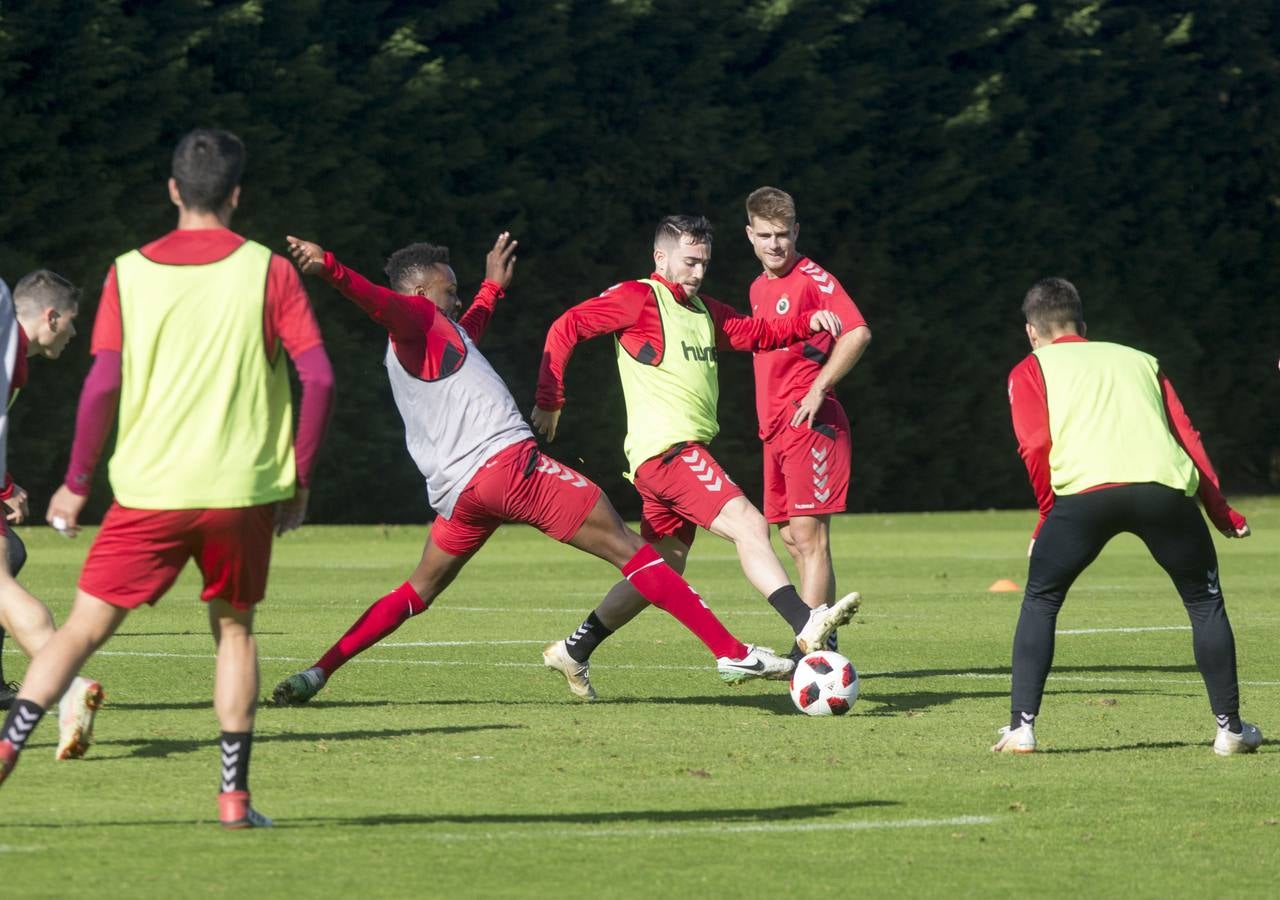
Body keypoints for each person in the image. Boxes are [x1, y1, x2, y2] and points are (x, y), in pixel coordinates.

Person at [272, 233, 792, 708]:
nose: (457, 298)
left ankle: (318, 673)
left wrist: (492, 289)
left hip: (461, 497)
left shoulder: (435, 334)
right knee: (636, 553)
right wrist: (330, 267)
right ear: (420, 294)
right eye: (449, 290)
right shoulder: (413, 316)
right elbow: (379, 302)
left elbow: (466, 329)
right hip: (509, 469)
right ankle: (730, 651)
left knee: (415, 593)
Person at [0, 129, 336, 830]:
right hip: (240, 489)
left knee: (83, 629)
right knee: (235, 633)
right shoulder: (269, 271)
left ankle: (6, 748)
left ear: (173, 190)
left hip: (150, 490)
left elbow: (101, 384)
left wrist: (75, 482)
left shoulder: (128, 271)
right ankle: (233, 800)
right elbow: (320, 375)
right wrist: (299, 478)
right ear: (237, 195)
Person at [533, 215, 859, 701]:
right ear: (660, 257)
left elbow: (754, 332)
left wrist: (805, 323)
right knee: (749, 523)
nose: (697, 272)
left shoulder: (704, 311)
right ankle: (805, 620)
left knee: (664, 566)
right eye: (689, 261)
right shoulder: (639, 297)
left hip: (667, 457)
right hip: (669, 452)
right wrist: (550, 398)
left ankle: (575, 649)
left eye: (704, 262)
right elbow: (567, 327)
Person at [995, 277, 1259, 756]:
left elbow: (1034, 444)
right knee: (1203, 602)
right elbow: (1188, 437)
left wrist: (1046, 515)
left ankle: (1021, 728)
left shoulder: (1029, 368)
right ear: (1084, 325)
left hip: (1083, 498)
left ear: (1031, 331)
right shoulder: (1141, 360)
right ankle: (1230, 730)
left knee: (1041, 600)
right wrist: (1221, 511)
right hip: (1163, 491)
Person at [743, 187, 872, 647]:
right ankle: (821, 637)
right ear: (750, 236)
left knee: (809, 535)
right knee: (793, 540)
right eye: (765, 235)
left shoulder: (814, 279)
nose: (775, 244)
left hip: (811, 425)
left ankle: (812, 651)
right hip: (774, 430)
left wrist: (819, 387)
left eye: (783, 234)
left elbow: (857, 332)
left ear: (796, 231)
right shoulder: (758, 287)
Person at [0, 270, 109, 760]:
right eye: (71, 321)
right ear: (50, 316)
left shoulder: (14, 357)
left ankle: (65, 687)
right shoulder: (11, 355)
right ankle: (66, 687)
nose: (74, 333)